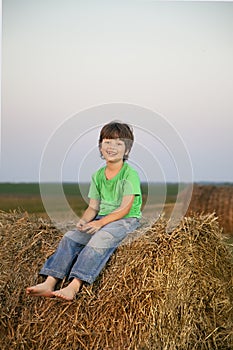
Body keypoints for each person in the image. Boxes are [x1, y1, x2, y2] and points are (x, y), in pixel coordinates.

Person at [26, 121, 142, 301]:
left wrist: (101, 224)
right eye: (108, 142)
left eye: (119, 143)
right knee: (70, 237)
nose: (112, 147)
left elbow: (125, 208)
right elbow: (93, 207)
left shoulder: (130, 174)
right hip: (102, 217)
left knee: (100, 238)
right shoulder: (97, 176)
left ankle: (74, 285)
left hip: (125, 219)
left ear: (126, 150)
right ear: (100, 146)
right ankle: (50, 281)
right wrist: (84, 221)